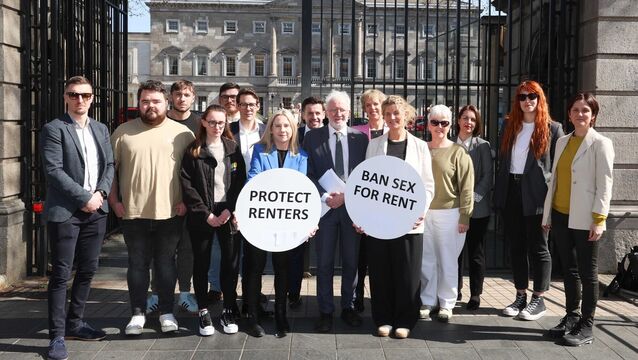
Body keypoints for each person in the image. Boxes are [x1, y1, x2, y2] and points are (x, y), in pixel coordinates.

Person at [109, 80, 194, 335]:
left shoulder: (183, 134)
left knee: (166, 264)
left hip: (170, 212)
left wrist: (186, 203)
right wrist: (114, 202)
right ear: (139, 103)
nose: (150, 106)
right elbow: (110, 172)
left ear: (166, 103)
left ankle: (167, 312)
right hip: (133, 213)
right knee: (137, 264)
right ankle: (137, 313)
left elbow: (193, 175)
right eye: (145, 101)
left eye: (156, 101)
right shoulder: (122, 132)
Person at [41, 76, 114, 360]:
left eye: (85, 95)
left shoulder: (101, 128)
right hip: (66, 212)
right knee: (61, 274)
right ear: (65, 97)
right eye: (74, 95)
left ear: (92, 98)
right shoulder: (54, 129)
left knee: (87, 270)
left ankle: (76, 323)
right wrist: (84, 198)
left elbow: (109, 164)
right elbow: (54, 170)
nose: (79, 100)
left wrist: (101, 193)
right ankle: (57, 337)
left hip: (97, 211)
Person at [356, 95, 434, 339]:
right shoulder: (374, 145)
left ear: (406, 116)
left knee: (407, 274)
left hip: (410, 222)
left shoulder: (420, 147)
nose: (391, 118)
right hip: (380, 222)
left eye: (396, 114)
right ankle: (383, 318)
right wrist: (363, 216)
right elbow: (367, 182)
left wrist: (421, 211)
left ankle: (405, 320)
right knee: (381, 272)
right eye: (387, 113)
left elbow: (428, 185)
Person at [542, 93, 614, 346]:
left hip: (586, 218)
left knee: (588, 272)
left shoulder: (601, 143)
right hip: (562, 215)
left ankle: (587, 325)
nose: (580, 114)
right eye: (575, 110)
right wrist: (548, 213)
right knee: (569, 270)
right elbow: (557, 180)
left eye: (585, 110)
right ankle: (571, 317)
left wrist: (599, 219)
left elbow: (605, 184)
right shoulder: (561, 141)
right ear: (569, 114)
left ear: (593, 115)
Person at [494, 80, 564, 321]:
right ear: (518, 100)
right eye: (523, 96)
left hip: (536, 193)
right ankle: (521, 294)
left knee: (539, 247)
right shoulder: (509, 126)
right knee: (516, 247)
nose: (527, 101)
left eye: (532, 96)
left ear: (539, 98)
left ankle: (539, 298)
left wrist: (552, 201)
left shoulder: (553, 129)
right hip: (511, 190)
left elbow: (559, 168)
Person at [303, 90, 369, 333]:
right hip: (325, 209)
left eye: (342, 109)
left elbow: (367, 176)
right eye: (333, 109)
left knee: (351, 262)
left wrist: (347, 196)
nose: (338, 113)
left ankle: (348, 307)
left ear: (349, 112)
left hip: (352, 210)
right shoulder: (312, 138)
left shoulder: (361, 140)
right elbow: (307, 172)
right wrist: (324, 196)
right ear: (326, 113)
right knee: (324, 263)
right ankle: (325, 311)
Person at [180, 104, 246, 336]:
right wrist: (205, 214)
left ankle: (228, 308)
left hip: (227, 213)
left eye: (221, 122)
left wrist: (229, 210)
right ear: (204, 122)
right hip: (202, 215)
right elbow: (187, 186)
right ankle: (204, 312)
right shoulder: (193, 150)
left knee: (230, 264)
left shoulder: (232, 149)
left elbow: (239, 183)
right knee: (202, 263)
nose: (217, 127)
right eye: (213, 122)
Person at [242, 110, 308, 338]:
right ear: (271, 129)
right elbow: (253, 179)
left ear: (293, 130)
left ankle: (280, 313)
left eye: (287, 126)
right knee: (255, 268)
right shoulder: (260, 151)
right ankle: (252, 315)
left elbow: (302, 190)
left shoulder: (302, 156)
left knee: (283, 268)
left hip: (285, 223)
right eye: (278, 126)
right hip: (259, 219)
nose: (282, 130)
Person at [146, 80, 200, 315]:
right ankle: (156, 293)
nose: (181, 98)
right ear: (170, 98)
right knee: (160, 250)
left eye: (186, 94)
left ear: (193, 98)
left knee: (187, 248)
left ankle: (185, 294)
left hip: (190, 198)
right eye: (177, 94)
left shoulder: (199, 123)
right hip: (161, 196)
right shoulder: (159, 120)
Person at [420, 104, 474, 322]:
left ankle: (446, 303)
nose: (439, 127)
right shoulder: (421, 149)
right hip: (424, 214)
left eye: (444, 123)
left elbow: (467, 187)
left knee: (448, 259)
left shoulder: (458, 152)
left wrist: (465, 216)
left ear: (450, 125)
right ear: (428, 124)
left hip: (450, 214)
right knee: (427, 260)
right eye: (435, 122)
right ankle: (428, 300)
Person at [229, 88, 269, 316]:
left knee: (255, 258)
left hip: (260, 202)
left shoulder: (266, 131)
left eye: (251, 104)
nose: (247, 108)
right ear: (238, 106)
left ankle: (252, 301)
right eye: (243, 104)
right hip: (234, 198)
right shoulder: (229, 130)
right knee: (233, 256)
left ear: (258, 106)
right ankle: (232, 302)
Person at [351, 89, 388, 313]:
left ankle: (380, 295)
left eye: (376, 104)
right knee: (360, 253)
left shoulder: (393, 131)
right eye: (368, 105)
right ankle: (357, 295)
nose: (372, 108)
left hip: (385, 201)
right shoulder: (356, 132)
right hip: (363, 199)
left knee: (380, 253)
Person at [288, 96, 326, 310]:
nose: (314, 117)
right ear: (303, 115)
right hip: (300, 200)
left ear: (324, 114)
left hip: (327, 199)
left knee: (325, 250)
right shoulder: (295, 136)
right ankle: (293, 293)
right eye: (309, 113)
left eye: (317, 113)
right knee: (297, 250)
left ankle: (324, 296)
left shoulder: (331, 135)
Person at [453, 105, 493, 310]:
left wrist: (471, 199)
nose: (468, 122)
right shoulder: (449, 145)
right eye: (465, 118)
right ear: (458, 120)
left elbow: (488, 176)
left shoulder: (482, 146)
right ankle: (455, 289)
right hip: (452, 209)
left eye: (473, 119)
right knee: (454, 253)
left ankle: (475, 293)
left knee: (475, 252)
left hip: (478, 209)